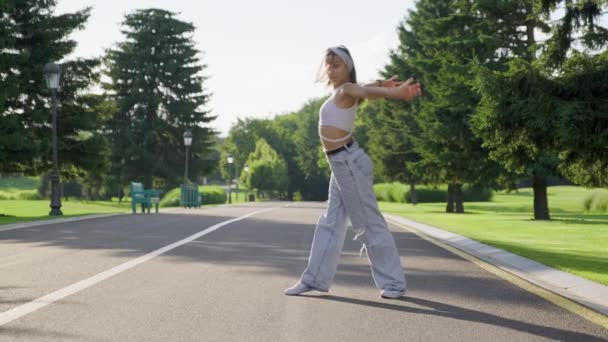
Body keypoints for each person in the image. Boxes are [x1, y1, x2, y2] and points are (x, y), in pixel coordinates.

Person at [284, 45, 421, 299]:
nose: (331, 70)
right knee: (331, 222)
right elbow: (368, 88)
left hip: (348, 162)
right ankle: (314, 279)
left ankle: (394, 283)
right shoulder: (343, 92)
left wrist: (398, 93)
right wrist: (384, 83)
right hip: (341, 163)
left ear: (347, 68)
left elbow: (366, 91)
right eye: (329, 65)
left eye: (337, 65)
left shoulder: (347, 89)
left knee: (367, 223)